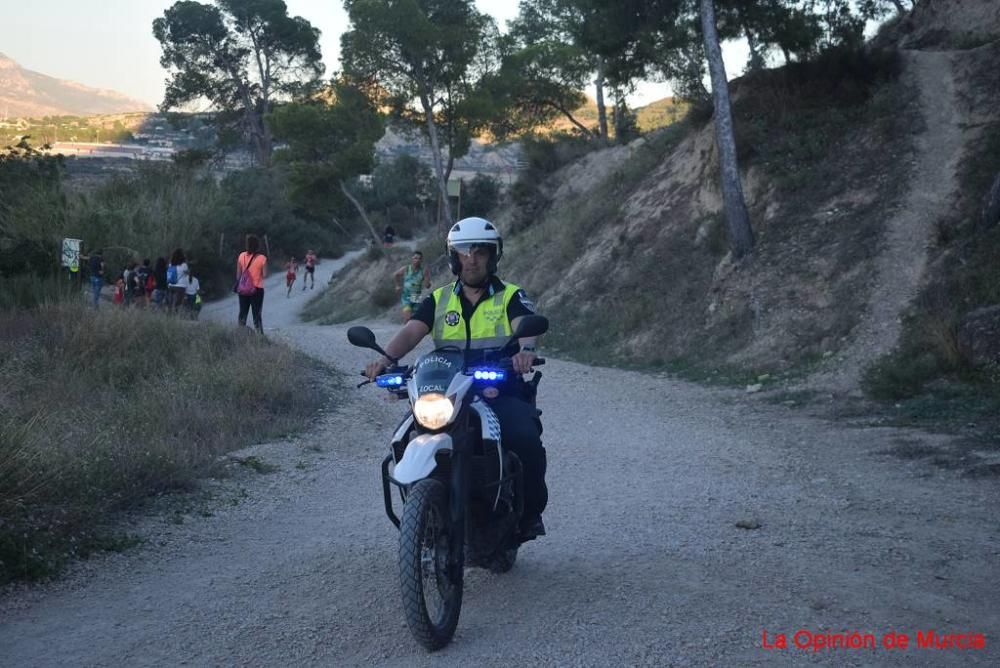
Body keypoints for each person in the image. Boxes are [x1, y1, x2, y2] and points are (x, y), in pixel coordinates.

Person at [364, 217, 547, 540]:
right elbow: (412, 331)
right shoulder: (439, 299)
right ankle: (423, 510)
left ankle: (530, 514)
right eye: (464, 252)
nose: (471, 259)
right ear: (453, 257)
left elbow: (526, 326)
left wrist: (525, 352)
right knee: (403, 436)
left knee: (524, 437)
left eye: (480, 252)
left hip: (497, 387)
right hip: (448, 388)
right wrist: (386, 359)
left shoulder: (510, 296)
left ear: (493, 256)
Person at [236, 234, 267, 333]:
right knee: (256, 314)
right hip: (257, 289)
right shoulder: (262, 258)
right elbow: (265, 275)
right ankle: (260, 337)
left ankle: (240, 334)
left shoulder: (241, 256)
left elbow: (238, 275)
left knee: (242, 313)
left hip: (243, 290)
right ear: (257, 245)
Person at [394, 250, 431, 323]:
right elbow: (396, 275)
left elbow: (427, 286)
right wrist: (397, 286)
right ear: (412, 258)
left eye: (419, 258)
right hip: (406, 296)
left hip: (416, 297)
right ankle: (406, 332)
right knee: (408, 317)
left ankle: (410, 331)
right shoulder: (406, 269)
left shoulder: (423, 271)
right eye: (415, 258)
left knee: (414, 319)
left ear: (421, 260)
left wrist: (427, 279)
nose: (417, 260)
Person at [167, 249, 189, 313]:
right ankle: (176, 315)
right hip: (180, 286)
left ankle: (170, 314)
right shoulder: (184, 265)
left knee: (170, 303)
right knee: (178, 303)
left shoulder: (170, 264)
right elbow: (187, 273)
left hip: (171, 285)